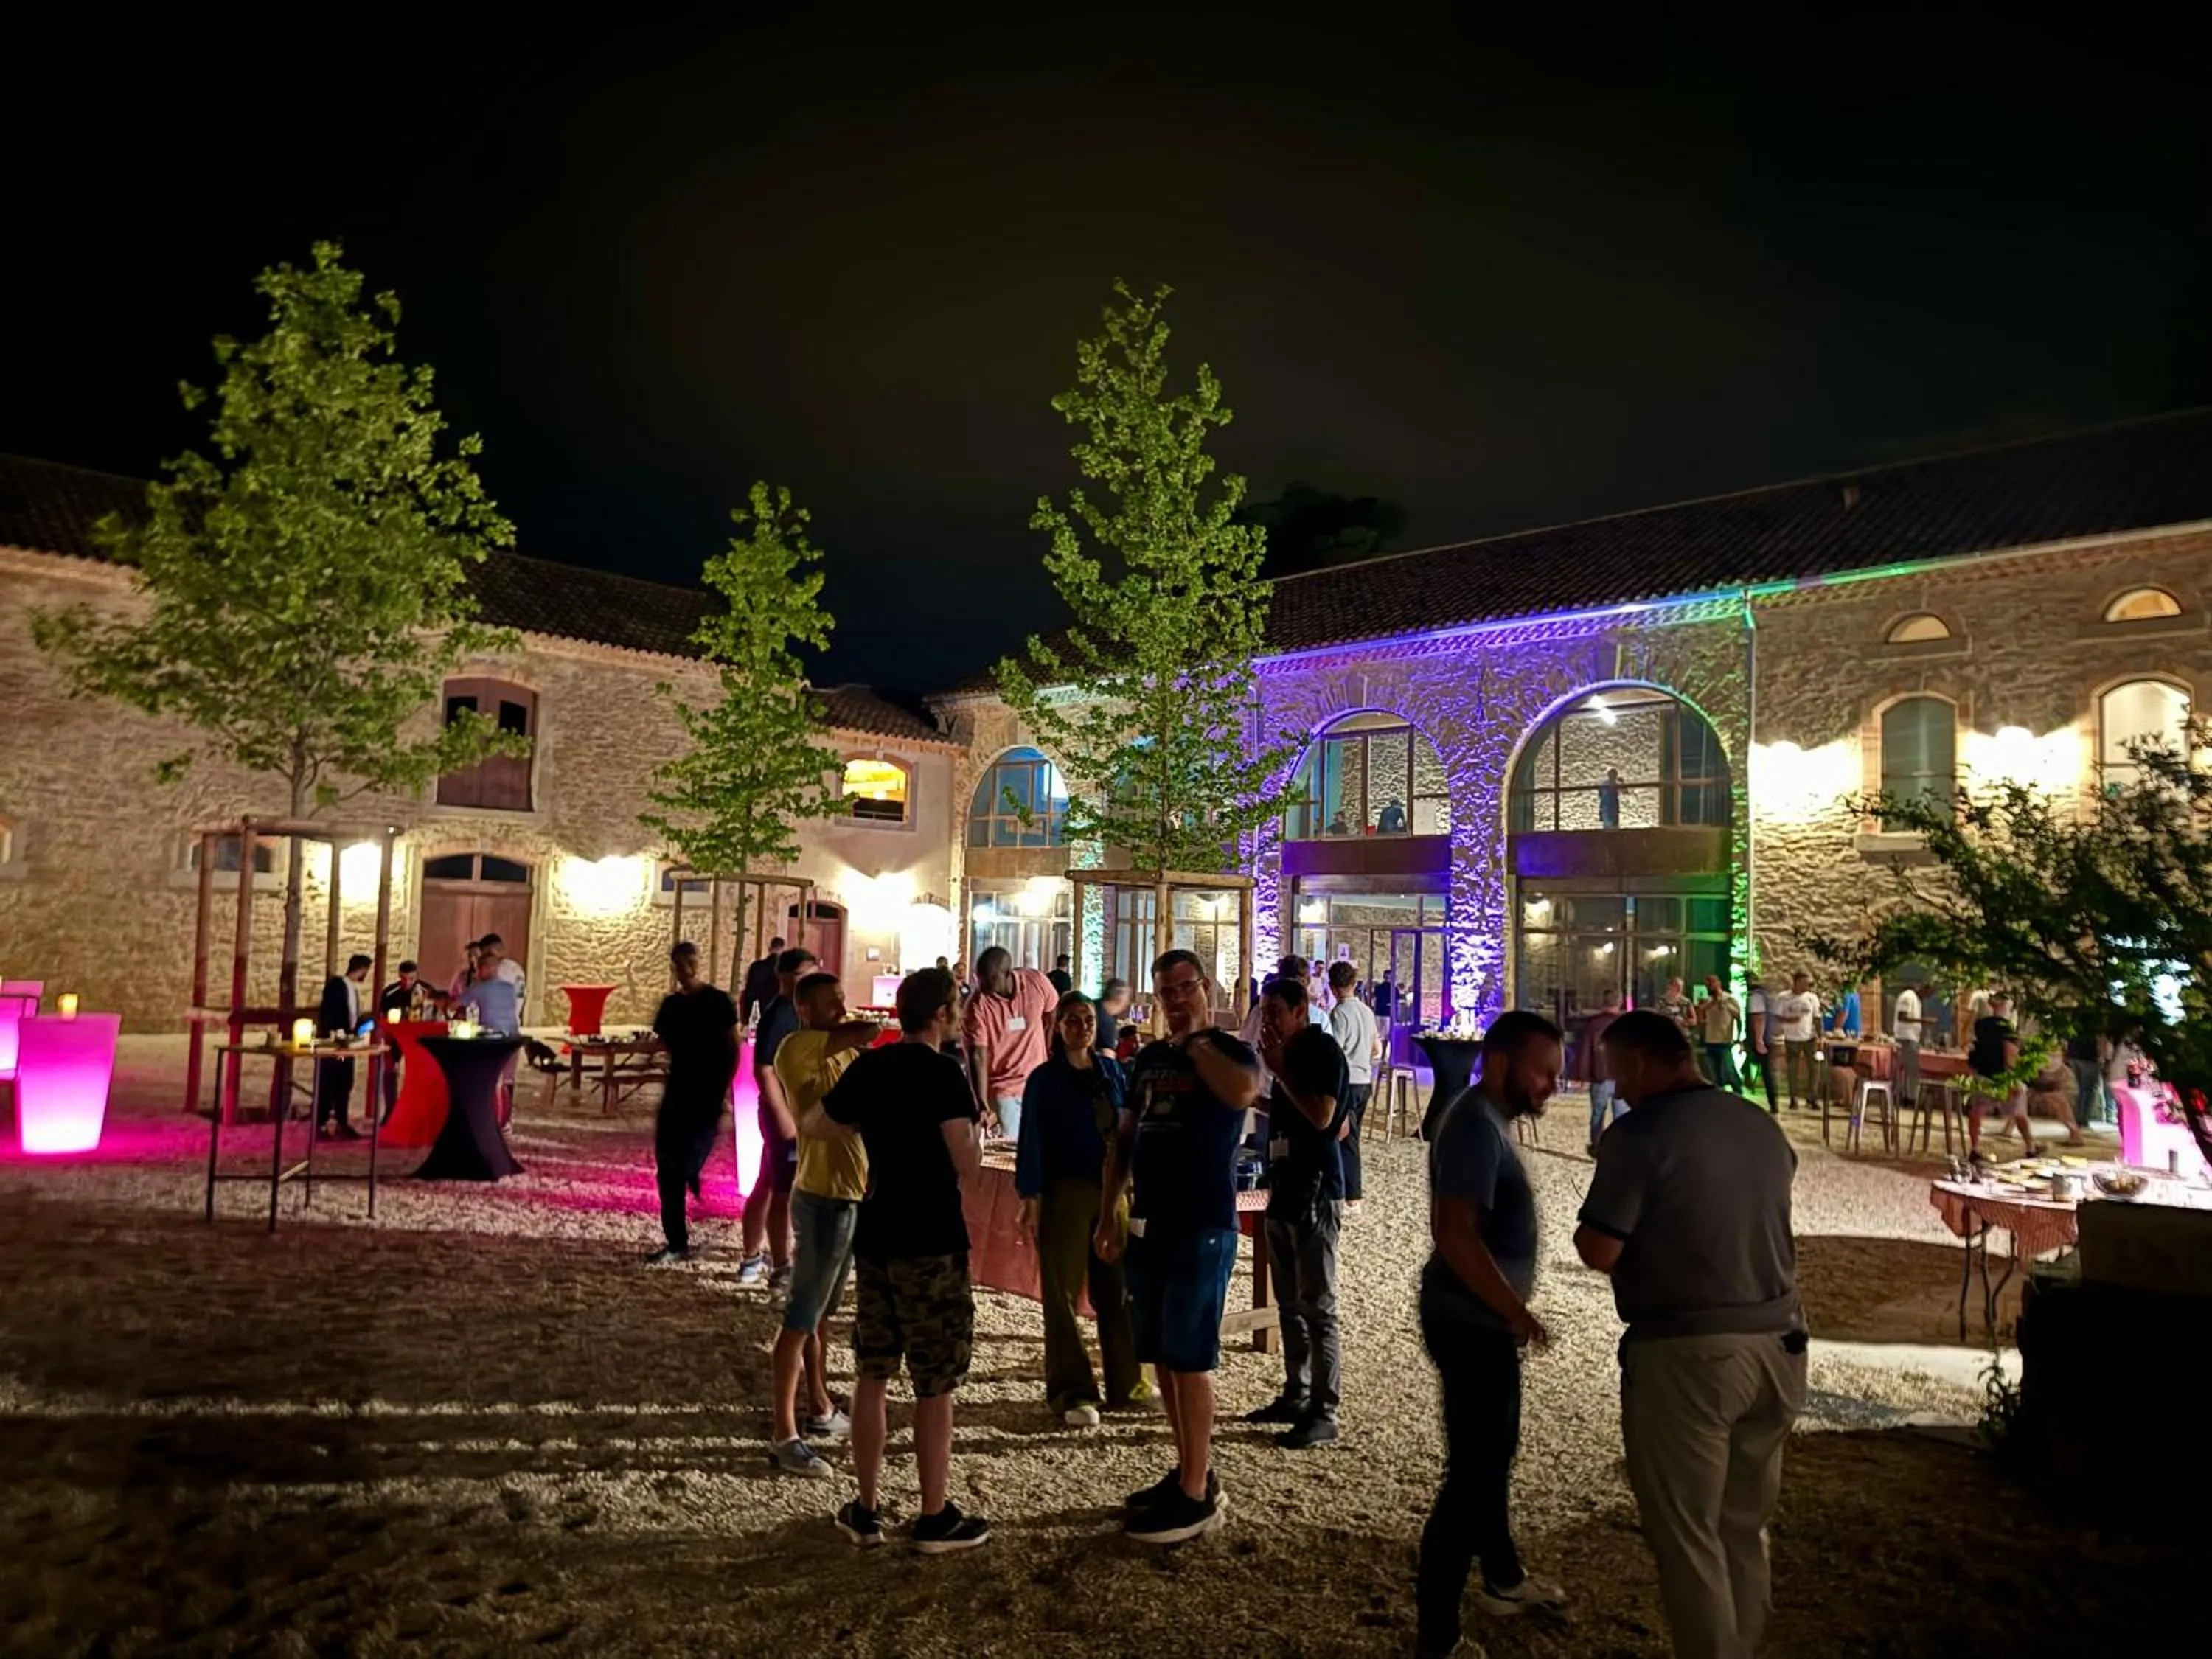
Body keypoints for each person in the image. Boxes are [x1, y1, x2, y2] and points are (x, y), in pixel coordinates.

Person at [1576, 1010, 1806, 1659]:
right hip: (1781, 1343)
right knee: (1744, 1525)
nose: (1615, 1087)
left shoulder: (1639, 1134)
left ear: (1645, 1064)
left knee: (1688, 1537)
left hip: (1691, 1354)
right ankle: (1746, 1643)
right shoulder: (1758, 1125)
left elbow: (1598, 1249)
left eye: (1617, 1072)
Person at [819, 967, 991, 1553]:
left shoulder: (874, 1066)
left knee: (873, 1370)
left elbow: (820, 1123)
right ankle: (934, 1513)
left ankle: (865, 1508)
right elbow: (966, 1161)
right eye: (957, 1006)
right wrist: (978, 1135)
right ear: (940, 1014)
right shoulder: (944, 1072)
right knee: (934, 1381)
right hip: (932, 1234)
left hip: (878, 1229)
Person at [1414, 1011, 1569, 1658]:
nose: (1552, 1087)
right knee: (1473, 1475)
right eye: (1544, 1072)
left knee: (1494, 1455)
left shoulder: (1491, 1123)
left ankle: (1502, 1577)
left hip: (1480, 1319)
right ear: (1502, 1063)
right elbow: (1454, 1232)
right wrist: (1516, 1311)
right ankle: (1438, 1635)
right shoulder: (1476, 1128)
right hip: (1470, 1321)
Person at [1101, 948, 1261, 1544]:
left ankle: (1196, 1495)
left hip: (1202, 1222)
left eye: (1185, 987)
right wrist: (1108, 1213)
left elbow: (1244, 1091)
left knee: (1192, 1357)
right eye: (1165, 989)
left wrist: (1195, 1042)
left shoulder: (1231, 1052)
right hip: (1149, 1221)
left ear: (1205, 987)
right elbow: (1124, 1138)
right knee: (1164, 1353)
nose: (1175, 998)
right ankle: (1190, 1470)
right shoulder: (1145, 1062)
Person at [768, 970, 881, 1474]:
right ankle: (784, 1434)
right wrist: (865, 1025)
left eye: (843, 999)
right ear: (806, 1010)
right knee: (799, 1318)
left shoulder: (843, 1057)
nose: (842, 1009)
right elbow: (862, 1032)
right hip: (822, 1198)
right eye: (831, 1002)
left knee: (821, 1315)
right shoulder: (796, 1049)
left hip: (848, 1197)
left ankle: (819, 1404)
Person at [1015, 992, 1144, 1427]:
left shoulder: (1111, 1071)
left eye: (1087, 1019)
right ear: (1058, 1028)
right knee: (1062, 1293)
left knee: (1119, 1288)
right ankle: (1072, 1389)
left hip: (1112, 1191)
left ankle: (1128, 1382)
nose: (1081, 1027)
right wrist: (1030, 1196)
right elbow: (1031, 1138)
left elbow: (1128, 1131)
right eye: (1072, 1020)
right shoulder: (1044, 1080)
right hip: (1065, 1190)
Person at [1246, 975, 1352, 1449]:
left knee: (1319, 1306)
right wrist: (1257, 1100)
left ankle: (1324, 1408)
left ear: (1300, 1009)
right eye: (1263, 1012)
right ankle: (1296, 1390)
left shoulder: (1320, 1052)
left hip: (1315, 1192)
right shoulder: (1288, 1057)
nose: (1266, 1021)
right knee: (1288, 1303)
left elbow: (1326, 1117)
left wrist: (1279, 1070)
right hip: (1284, 1188)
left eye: (1274, 1012)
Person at [644, 942, 740, 1267]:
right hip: (678, 1091)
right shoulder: (671, 1006)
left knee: (692, 1156)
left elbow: (733, 1047)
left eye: (690, 962)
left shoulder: (718, 1002)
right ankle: (676, 1241)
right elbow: (662, 1043)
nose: (685, 969)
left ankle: (690, 1178)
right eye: (679, 964)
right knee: (667, 1167)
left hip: (708, 1092)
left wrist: (726, 1091)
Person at [740, 945, 817, 1289]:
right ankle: (781, 1265)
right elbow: (763, 1069)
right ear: (784, 978)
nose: (807, 983)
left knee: (768, 1183)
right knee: (782, 1191)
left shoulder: (798, 1012)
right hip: (781, 1118)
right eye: (801, 976)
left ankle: (752, 1257)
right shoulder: (781, 1013)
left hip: (790, 1114)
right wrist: (784, 1118)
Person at [964, 945, 1060, 1144]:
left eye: (989, 979)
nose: (982, 986)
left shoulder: (1036, 982)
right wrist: (982, 1103)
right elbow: (978, 1055)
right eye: (978, 979)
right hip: (1003, 1091)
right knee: (1013, 1152)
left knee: (1042, 1149)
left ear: (1007, 973)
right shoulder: (977, 1005)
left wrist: (1050, 1049)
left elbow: (1053, 1012)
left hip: (1038, 1085)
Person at [1326, 961, 1380, 1210]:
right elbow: (1374, 1047)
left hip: (1347, 1082)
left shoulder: (1339, 1014)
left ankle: (1352, 1195)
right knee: (1351, 1137)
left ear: (1333, 988)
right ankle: (1348, 1192)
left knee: (1346, 1138)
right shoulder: (1367, 1012)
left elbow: (1335, 1052)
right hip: (1365, 1080)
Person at [1967, 991, 2037, 1162]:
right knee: (2020, 1113)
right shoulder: (2007, 1029)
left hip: (1983, 1074)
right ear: (2006, 1006)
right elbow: (2010, 1054)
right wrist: (2014, 1078)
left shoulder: (1980, 1025)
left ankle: (1974, 1147)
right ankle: (2030, 1147)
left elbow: (1972, 1047)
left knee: (1977, 1112)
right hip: (2003, 1077)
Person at [313, 953, 373, 1139]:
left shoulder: (352, 989)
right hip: (336, 1046)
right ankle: (321, 1125)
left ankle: (341, 1121)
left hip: (348, 1045)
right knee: (329, 1083)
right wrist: (338, 1034)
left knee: (345, 1083)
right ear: (362, 969)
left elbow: (352, 1017)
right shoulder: (337, 986)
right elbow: (330, 1014)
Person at [1576, 987, 1625, 1155]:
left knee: (1598, 1114)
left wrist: (1583, 1075)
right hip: (1622, 1077)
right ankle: (1621, 1148)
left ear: (1603, 1002)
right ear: (1619, 1003)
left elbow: (1585, 1051)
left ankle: (1597, 1147)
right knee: (1622, 1117)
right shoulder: (1625, 1024)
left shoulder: (1594, 1024)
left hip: (1600, 1077)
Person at [375, 959, 422, 1121]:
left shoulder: (424, 991)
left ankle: (414, 1113)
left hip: (416, 1038)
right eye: (403, 978)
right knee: (389, 1073)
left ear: (416, 976)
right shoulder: (390, 992)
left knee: (416, 1076)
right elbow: (382, 1018)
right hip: (393, 1038)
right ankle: (391, 1111)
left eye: (411, 978)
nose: (407, 982)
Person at [1773, 973, 1820, 1110]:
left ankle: (1812, 1097)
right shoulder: (1783, 998)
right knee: (1793, 1069)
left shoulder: (1812, 998)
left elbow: (1817, 1017)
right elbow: (1776, 1016)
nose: (1807, 986)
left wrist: (1820, 1035)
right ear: (1797, 982)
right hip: (1792, 1038)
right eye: (1805, 982)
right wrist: (1788, 1020)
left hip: (1809, 1038)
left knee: (1814, 1068)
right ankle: (1793, 1098)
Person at [1698, 975, 1743, 1089]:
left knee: (1729, 1070)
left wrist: (1738, 1037)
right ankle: (1720, 1096)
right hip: (1710, 1041)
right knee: (1714, 1075)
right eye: (1708, 984)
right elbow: (1700, 1016)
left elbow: (1738, 1017)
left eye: (1712, 983)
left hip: (1724, 1041)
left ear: (1719, 983)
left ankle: (1738, 1092)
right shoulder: (1707, 1002)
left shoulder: (1730, 999)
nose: (1710, 986)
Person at [1744, 975, 1778, 1114]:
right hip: (1766, 1038)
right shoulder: (1766, 997)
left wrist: (1759, 1040)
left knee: (1766, 1072)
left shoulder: (1755, 997)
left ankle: (1773, 1103)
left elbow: (1759, 1018)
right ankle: (1773, 1103)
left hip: (1760, 1040)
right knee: (1764, 1071)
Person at [1893, 978, 1924, 1112]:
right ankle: (1910, 1098)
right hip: (1906, 1037)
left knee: (1910, 1070)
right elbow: (1902, 1016)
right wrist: (1923, 1020)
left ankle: (1907, 1096)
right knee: (1912, 1070)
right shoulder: (1908, 997)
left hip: (1912, 1037)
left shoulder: (1915, 999)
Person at [740, 936, 786, 1027]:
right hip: (778, 1013)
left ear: (770, 948)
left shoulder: (756, 966)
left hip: (756, 1010)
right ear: (783, 949)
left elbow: (749, 990)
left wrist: (746, 1015)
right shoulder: (785, 969)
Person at [1096, 977, 1132, 1057]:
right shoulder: (1106, 1022)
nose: (1126, 1004)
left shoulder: (1093, 1006)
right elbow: (1108, 1055)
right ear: (1119, 1000)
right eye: (1126, 999)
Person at [1598, 765, 1622, 830]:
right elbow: (1600, 795)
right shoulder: (1605, 784)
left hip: (1612, 806)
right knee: (1607, 823)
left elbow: (1625, 792)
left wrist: (1623, 783)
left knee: (1613, 823)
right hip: (1607, 807)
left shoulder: (1616, 784)